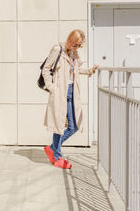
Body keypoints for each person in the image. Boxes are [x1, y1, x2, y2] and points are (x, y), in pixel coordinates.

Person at [42, 29, 98, 169]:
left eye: (80, 46)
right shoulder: (57, 50)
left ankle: (52, 148)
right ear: (71, 41)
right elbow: (46, 69)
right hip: (60, 92)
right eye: (76, 45)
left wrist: (90, 70)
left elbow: (76, 71)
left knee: (73, 127)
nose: (78, 48)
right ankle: (57, 156)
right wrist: (52, 87)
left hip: (72, 92)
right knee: (59, 125)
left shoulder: (73, 53)